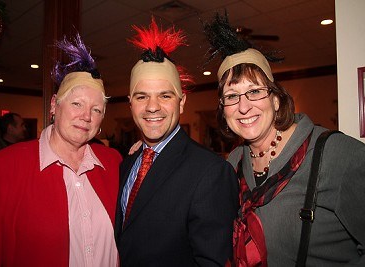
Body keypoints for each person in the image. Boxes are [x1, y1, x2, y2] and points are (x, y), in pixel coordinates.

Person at [203, 12, 365, 266]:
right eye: (232, 96)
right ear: (224, 110)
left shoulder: (336, 155)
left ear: (276, 100)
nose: (243, 107)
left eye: (255, 91)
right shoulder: (233, 163)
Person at [0, 33, 121, 266]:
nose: (86, 116)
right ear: (54, 105)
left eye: (96, 110)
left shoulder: (114, 162)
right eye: (77, 103)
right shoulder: (4, 166)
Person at [114, 17, 239, 266]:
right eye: (142, 97)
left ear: (181, 102)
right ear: (130, 103)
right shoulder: (128, 163)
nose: (152, 107)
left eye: (164, 95)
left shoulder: (211, 172)